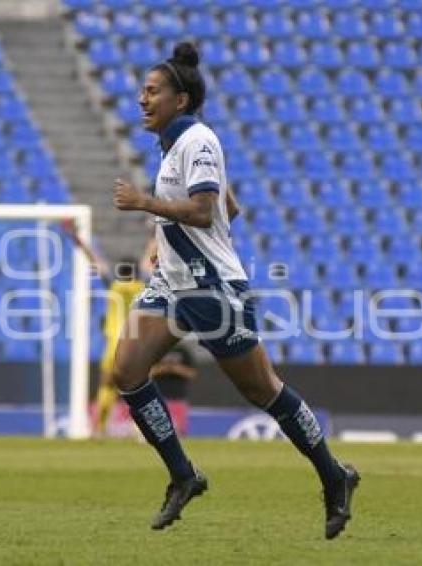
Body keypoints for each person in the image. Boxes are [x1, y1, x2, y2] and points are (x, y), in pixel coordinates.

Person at [110, 43, 359, 538]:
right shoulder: (174, 144)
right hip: (175, 282)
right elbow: (228, 208)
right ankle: (184, 476)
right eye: (142, 90)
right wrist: (171, 243)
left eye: (152, 91)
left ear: (180, 100)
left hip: (211, 287)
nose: (141, 99)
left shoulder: (198, 140)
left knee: (261, 388)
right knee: (128, 369)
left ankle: (335, 475)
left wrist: (147, 205)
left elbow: (204, 211)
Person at [61, 220, 147, 438]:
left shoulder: (115, 286)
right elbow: (149, 261)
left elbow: (95, 261)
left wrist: (76, 237)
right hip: (138, 346)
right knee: (142, 388)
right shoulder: (144, 286)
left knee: (107, 385)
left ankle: (98, 428)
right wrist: (156, 234)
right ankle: (142, 430)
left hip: (114, 344)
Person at [149, 342, 197, 436]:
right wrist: (162, 369)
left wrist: (175, 369)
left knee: (179, 432)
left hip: (177, 400)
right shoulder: (155, 349)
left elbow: (192, 373)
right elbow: (146, 372)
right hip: (156, 401)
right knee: (156, 433)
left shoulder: (182, 351)